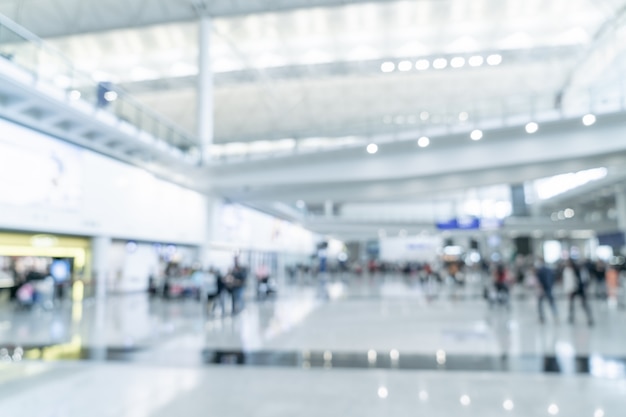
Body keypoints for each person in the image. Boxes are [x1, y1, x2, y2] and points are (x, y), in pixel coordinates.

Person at [563, 259, 593, 326]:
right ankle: (571, 317)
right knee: (571, 305)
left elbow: (584, 280)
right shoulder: (568, 271)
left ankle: (589, 318)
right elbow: (567, 282)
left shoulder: (577, 270)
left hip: (579, 289)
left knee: (584, 304)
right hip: (572, 290)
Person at [535, 258, 558, 323]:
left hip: (544, 288)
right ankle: (555, 315)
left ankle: (542, 317)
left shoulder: (540, 270)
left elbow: (540, 281)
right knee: (551, 302)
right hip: (549, 288)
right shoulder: (549, 270)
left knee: (541, 303)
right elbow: (553, 278)